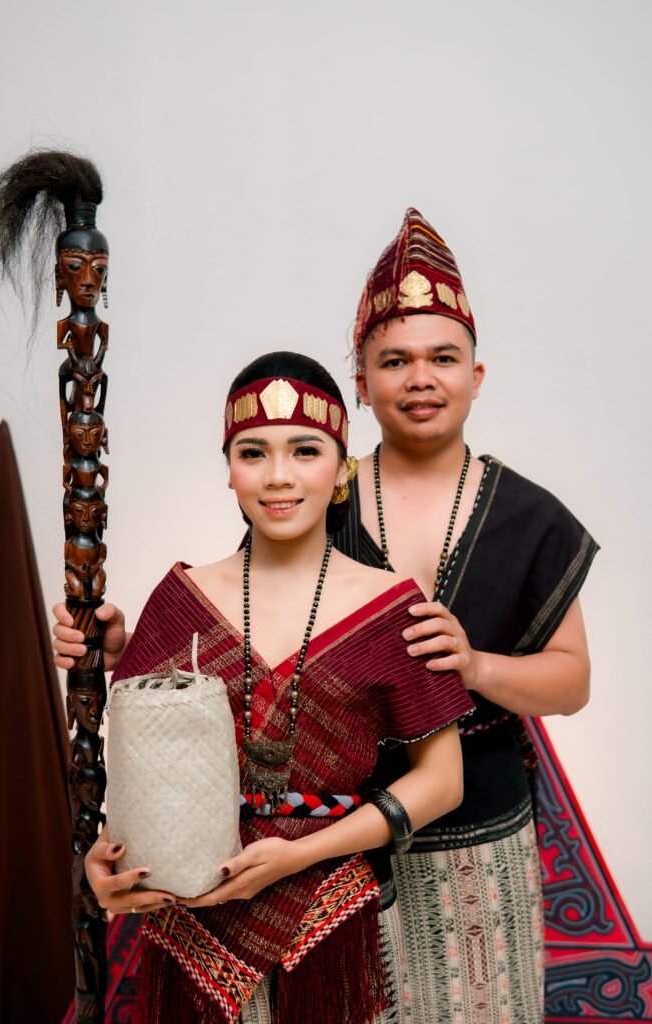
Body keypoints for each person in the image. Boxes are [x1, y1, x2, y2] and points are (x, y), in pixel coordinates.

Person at [55, 351, 474, 1024]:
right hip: (194, 920)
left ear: (342, 470)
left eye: (305, 450)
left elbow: (442, 782)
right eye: (253, 453)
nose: (278, 475)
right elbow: (140, 776)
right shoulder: (180, 600)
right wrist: (108, 865)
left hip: (334, 927)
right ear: (228, 469)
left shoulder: (395, 608)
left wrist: (296, 855)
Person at [332, 207, 599, 1023]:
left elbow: (571, 682)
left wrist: (476, 665)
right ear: (360, 382)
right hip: (334, 827)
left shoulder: (527, 514)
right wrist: (128, 644)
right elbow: (241, 625)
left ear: (475, 376)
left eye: (442, 358)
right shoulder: (317, 498)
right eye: (395, 361)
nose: (420, 378)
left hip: (479, 828)